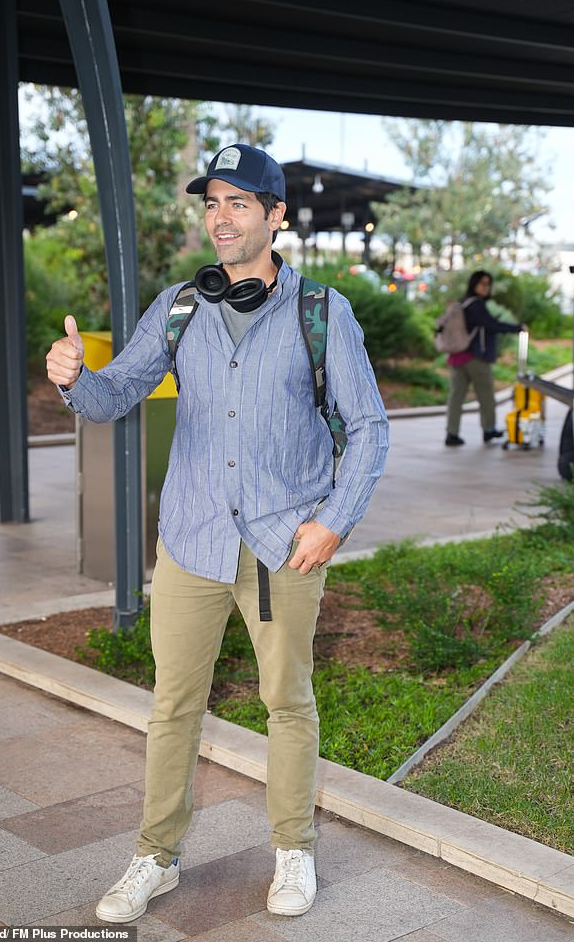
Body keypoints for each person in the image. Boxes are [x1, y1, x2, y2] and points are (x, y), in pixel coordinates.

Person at [46, 143, 389, 923]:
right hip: (192, 540)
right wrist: (74, 378)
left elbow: (369, 428)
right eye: (211, 203)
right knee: (173, 705)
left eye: (239, 203)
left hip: (284, 544)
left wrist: (333, 520)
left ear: (275, 216)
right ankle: (154, 856)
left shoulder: (321, 311)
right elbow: (112, 396)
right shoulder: (179, 307)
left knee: (287, 701)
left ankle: (293, 848)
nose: (221, 217)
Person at [445, 270, 524, 447]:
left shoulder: (463, 303)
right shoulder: (477, 305)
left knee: (456, 397)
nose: (487, 287)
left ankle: (452, 433)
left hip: (457, 356)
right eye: (483, 283)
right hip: (475, 357)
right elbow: (491, 325)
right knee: (486, 395)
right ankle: (489, 430)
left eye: (488, 284)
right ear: (474, 284)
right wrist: (518, 327)